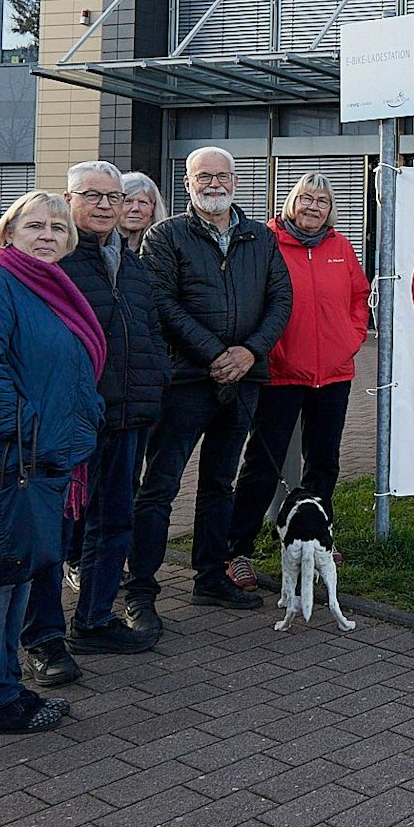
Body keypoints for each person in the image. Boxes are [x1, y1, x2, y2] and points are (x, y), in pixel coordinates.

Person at [0, 191, 101, 735]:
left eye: (57, 227)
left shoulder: (47, 288)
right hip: (2, 463)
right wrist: (31, 434)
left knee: (17, 576)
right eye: (35, 226)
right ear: (7, 233)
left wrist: (76, 422)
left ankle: (6, 689)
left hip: (38, 460)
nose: (47, 235)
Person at [124, 146, 293, 630]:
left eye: (222, 175)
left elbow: (281, 299)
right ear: (188, 183)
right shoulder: (165, 235)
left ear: (235, 181)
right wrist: (216, 353)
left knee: (220, 483)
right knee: (160, 485)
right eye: (204, 176)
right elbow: (161, 302)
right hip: (186, 380)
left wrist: (249, 352)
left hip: (244, 379)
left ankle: (210, 577)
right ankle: (141, 590)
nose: (214, 184)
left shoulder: (261, 237)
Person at [13, 163, 167, 687]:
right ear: (68, 198)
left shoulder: (134, 264)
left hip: (127, 417)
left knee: (114, 522)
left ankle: (95, 619)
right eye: (92, 195)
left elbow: (150, 332)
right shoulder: (56, 262)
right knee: (54, 534)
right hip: (70, 423)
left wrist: (156, 383)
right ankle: (42, 637)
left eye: (113, 196)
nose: (105, 205)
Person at [225, 174, 370, 587]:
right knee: (263, 463)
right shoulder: (266, 241)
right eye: (305, 198)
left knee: (324, 462)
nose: (313, 206)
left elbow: (359, 297)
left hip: (333, 374)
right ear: (291, 202)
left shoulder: (340, 246)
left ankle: (318, 536)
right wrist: (265, 349)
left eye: (322, 201)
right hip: (280, 373)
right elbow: (250, 299)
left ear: (330, 210)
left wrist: (351, 338)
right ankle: (237, 550)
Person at [120, 171, 165, 253]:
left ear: (153, 209)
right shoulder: (101, 247)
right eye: (128, 201)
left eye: (142, 202)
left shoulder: (165, 249)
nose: (135, 208)